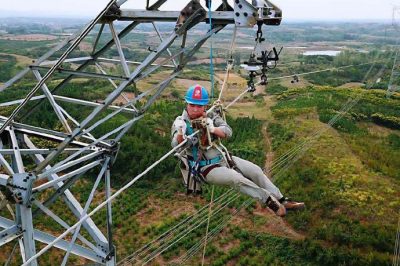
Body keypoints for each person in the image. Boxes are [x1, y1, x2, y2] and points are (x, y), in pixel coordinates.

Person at [171, 84, 304, 217]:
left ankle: (282, 199)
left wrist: (213, 129)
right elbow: (176, 146)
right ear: (186, 104)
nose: (195, 109)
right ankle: (269, 201)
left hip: (224, 158)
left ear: (205, 106)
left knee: (255, 170)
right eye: (192, 105)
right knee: (236, 179)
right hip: (206, 168)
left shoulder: (210, 116)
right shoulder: (181, 122)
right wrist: (181, 133)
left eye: (199, 106)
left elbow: (228, 132)